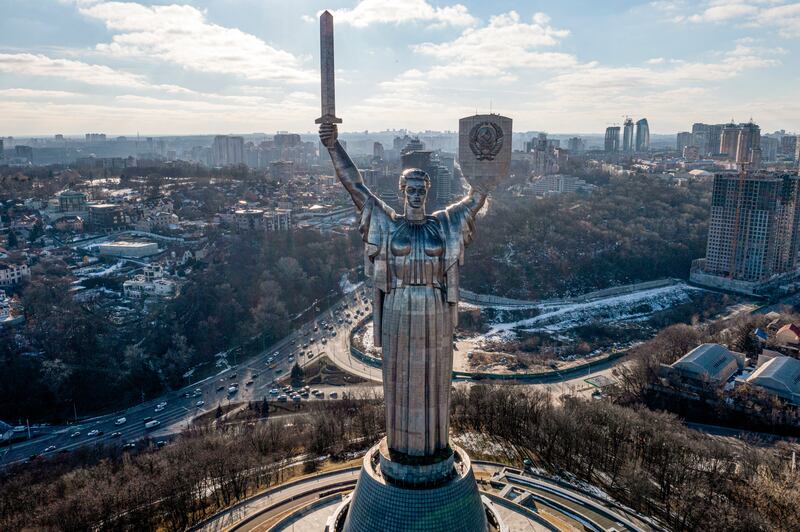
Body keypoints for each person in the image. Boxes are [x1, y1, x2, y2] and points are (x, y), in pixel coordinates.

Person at [320, 123, 497, 458]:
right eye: (410, 189)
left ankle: (433, 446)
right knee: (400, 375)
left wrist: (483, 163)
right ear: (401, 192)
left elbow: (476, 198)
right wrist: (333, 147)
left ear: (427, 192)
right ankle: (401, 445)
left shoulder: (443, 224)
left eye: (421, 189)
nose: (416, 195)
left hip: (433, 305)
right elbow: (356, 187)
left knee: (435, 373)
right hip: (399, 305)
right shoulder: (388, 224)